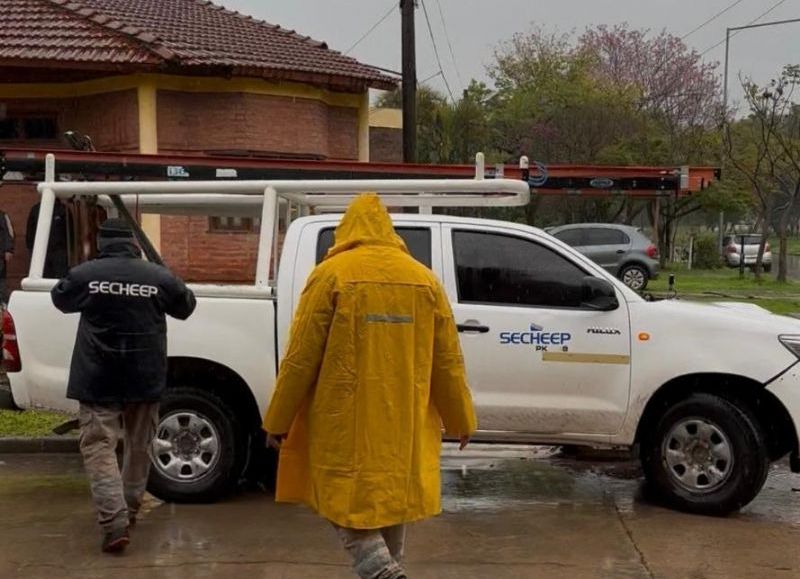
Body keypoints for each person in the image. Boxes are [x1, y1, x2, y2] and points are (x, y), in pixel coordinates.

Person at [263, 194, 477, 579]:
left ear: (347, 230)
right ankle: (389, 568)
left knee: (337, 492)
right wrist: (460, 419)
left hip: (343, 418)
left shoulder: (331, 275)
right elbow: (448, 360)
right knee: (391, 503)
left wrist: (278, 419)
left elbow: (300, 357)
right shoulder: (424, 279)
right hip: (404, 419)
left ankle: (378, 567)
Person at [51, 218, 196, 553]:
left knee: (99, 447)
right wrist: (165, 276)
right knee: (140, 446)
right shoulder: (157, 277)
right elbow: (186, 306)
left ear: (101, 244)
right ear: (134, 243)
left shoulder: (84, 275)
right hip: (144, 377)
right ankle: (128, 510)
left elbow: (60, 300)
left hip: (97, 378)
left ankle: (114, 523)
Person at [27, 198, 71, 278]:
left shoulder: (63, 209)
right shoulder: (36, 209)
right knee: (43, 275)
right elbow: (30, 229)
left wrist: (70, 248)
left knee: (61, 275)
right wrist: (31, 248)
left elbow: (70, 230)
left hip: (59, 250)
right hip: (40, 251)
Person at [0, 209, 14, 304]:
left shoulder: (2, 215)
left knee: (1, 283)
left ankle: (5, 306)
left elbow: (8, 233)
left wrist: (8, 249)